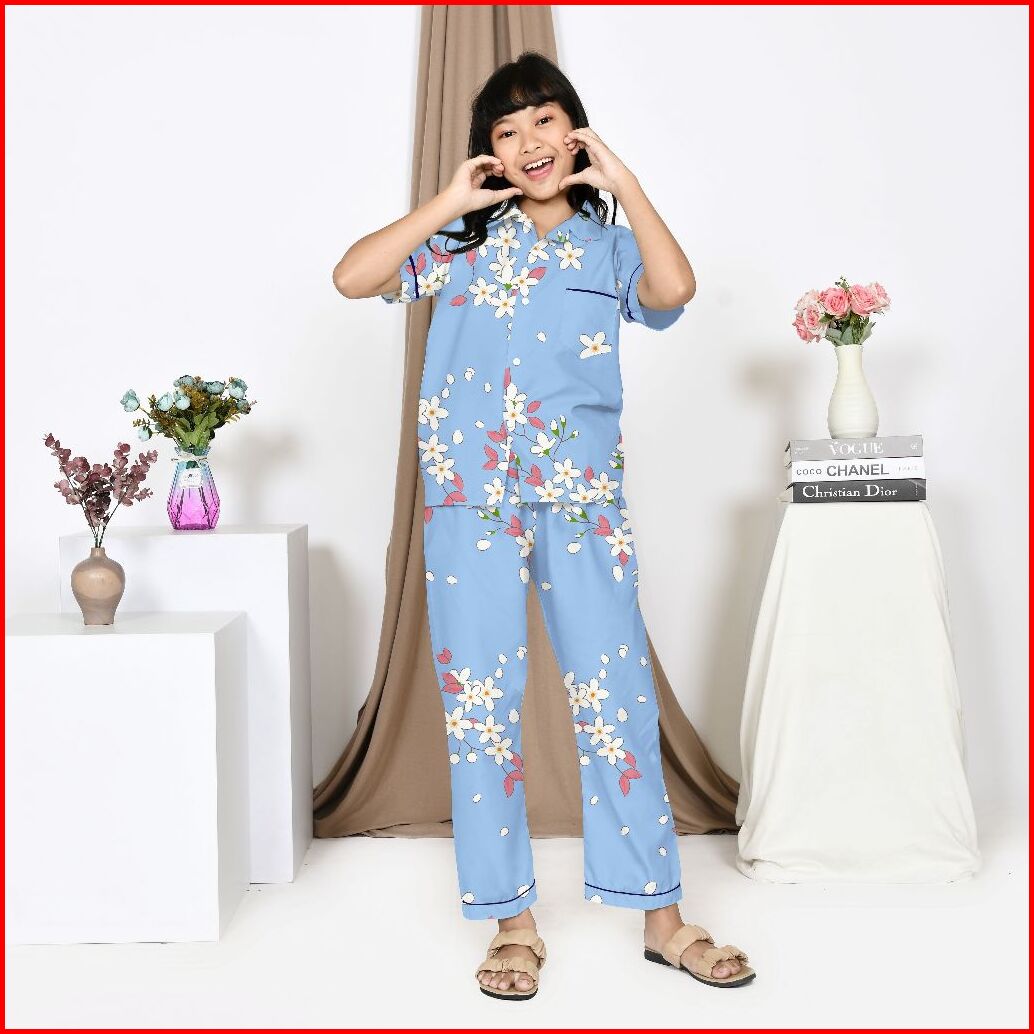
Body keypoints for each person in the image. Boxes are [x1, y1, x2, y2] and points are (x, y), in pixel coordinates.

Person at [333, 51, 755, 1000]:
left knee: (617, 702)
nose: (529, 141)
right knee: (481, 708)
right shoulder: (459, 244)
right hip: (470, 500)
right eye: (507, 129)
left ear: (577, 134)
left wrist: (625, 182)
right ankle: (512, 923)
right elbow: (354, 277)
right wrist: (449, 202)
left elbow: (675, 290)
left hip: (581, 498)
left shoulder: (610, 250)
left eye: (545, 120)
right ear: (489, 151)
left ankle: (662, 918)